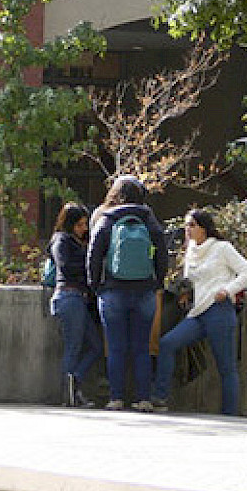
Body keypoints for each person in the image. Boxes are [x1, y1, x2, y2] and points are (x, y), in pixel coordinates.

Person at [153, 208, 247, 416]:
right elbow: (190, 280)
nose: (187, 229)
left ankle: (229, 414)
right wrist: (185, 293)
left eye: (192, 225)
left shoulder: (222, 248)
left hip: (219, 310)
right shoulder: (190, 250)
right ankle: (159, 397)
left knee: (226, 367)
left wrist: (227, 290)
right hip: (197, 312)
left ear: (204, 228)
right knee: (167, 344)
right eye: (186, 225)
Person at [87, 175, 168, 412]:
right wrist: (157, 282)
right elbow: (162, 253)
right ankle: (143, 399)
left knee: (115, 348)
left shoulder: (107, 218)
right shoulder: (149, 219)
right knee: (142, 348)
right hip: (145, 291)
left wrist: (95, 285)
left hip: (112, 291)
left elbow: (93, 254)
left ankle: (116, 398)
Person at [48, 202, 102, 408]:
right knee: (74, 346)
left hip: (78, 298)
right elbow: (65, 266)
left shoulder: (78, 241)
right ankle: (69, 393)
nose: (83, 229)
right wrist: (89, 266)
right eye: (79, 225)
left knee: (95, 345)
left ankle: (74, 382)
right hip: (69, 296)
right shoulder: (61, 240)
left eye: (85, 224)